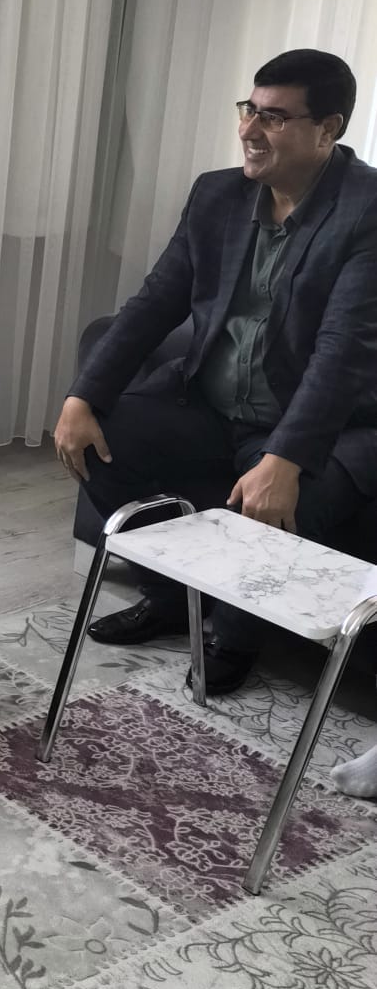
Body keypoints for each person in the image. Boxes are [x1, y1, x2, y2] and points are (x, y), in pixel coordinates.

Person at [55, 48, 377, 706]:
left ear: (328, 129)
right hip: (208, 402)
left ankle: (235, 638)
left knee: (284, 503)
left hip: (321, 424)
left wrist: (285, 458)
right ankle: (172, 597)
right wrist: (82, 395)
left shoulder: (367, 210)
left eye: (275, 118)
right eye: (249, 110)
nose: (250, 130)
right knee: (102, 436)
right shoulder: (217, 194)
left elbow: (343, 352)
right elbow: (155, 301)